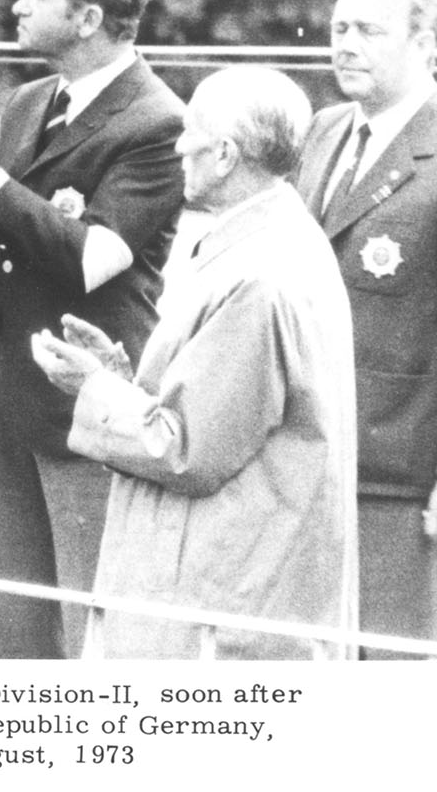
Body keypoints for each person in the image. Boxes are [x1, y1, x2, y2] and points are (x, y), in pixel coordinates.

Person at [0, 0, 185, 658]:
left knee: (90, 626)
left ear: (89, 17)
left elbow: (92, 257)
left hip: (80, 406)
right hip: (2, 392)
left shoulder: (156, 122)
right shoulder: (31, 99)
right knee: (20, 629)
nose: (16, 6)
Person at [35, 65, 358, 658]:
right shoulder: (269, 237)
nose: (178, 144)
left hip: (219, 611)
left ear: (227, 155)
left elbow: (183, 449)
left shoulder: (262, 276)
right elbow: (218, 408)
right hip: (227, 584)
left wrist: (95, 388)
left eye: (191, 131)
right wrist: (121, 375)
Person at [293, 0, 437, 656]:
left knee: (391, 688)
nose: (346, 43)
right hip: (307, 462)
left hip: (397, 479)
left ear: (424, 42)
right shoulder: (322, 131)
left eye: (369, 30)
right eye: (339, 27)